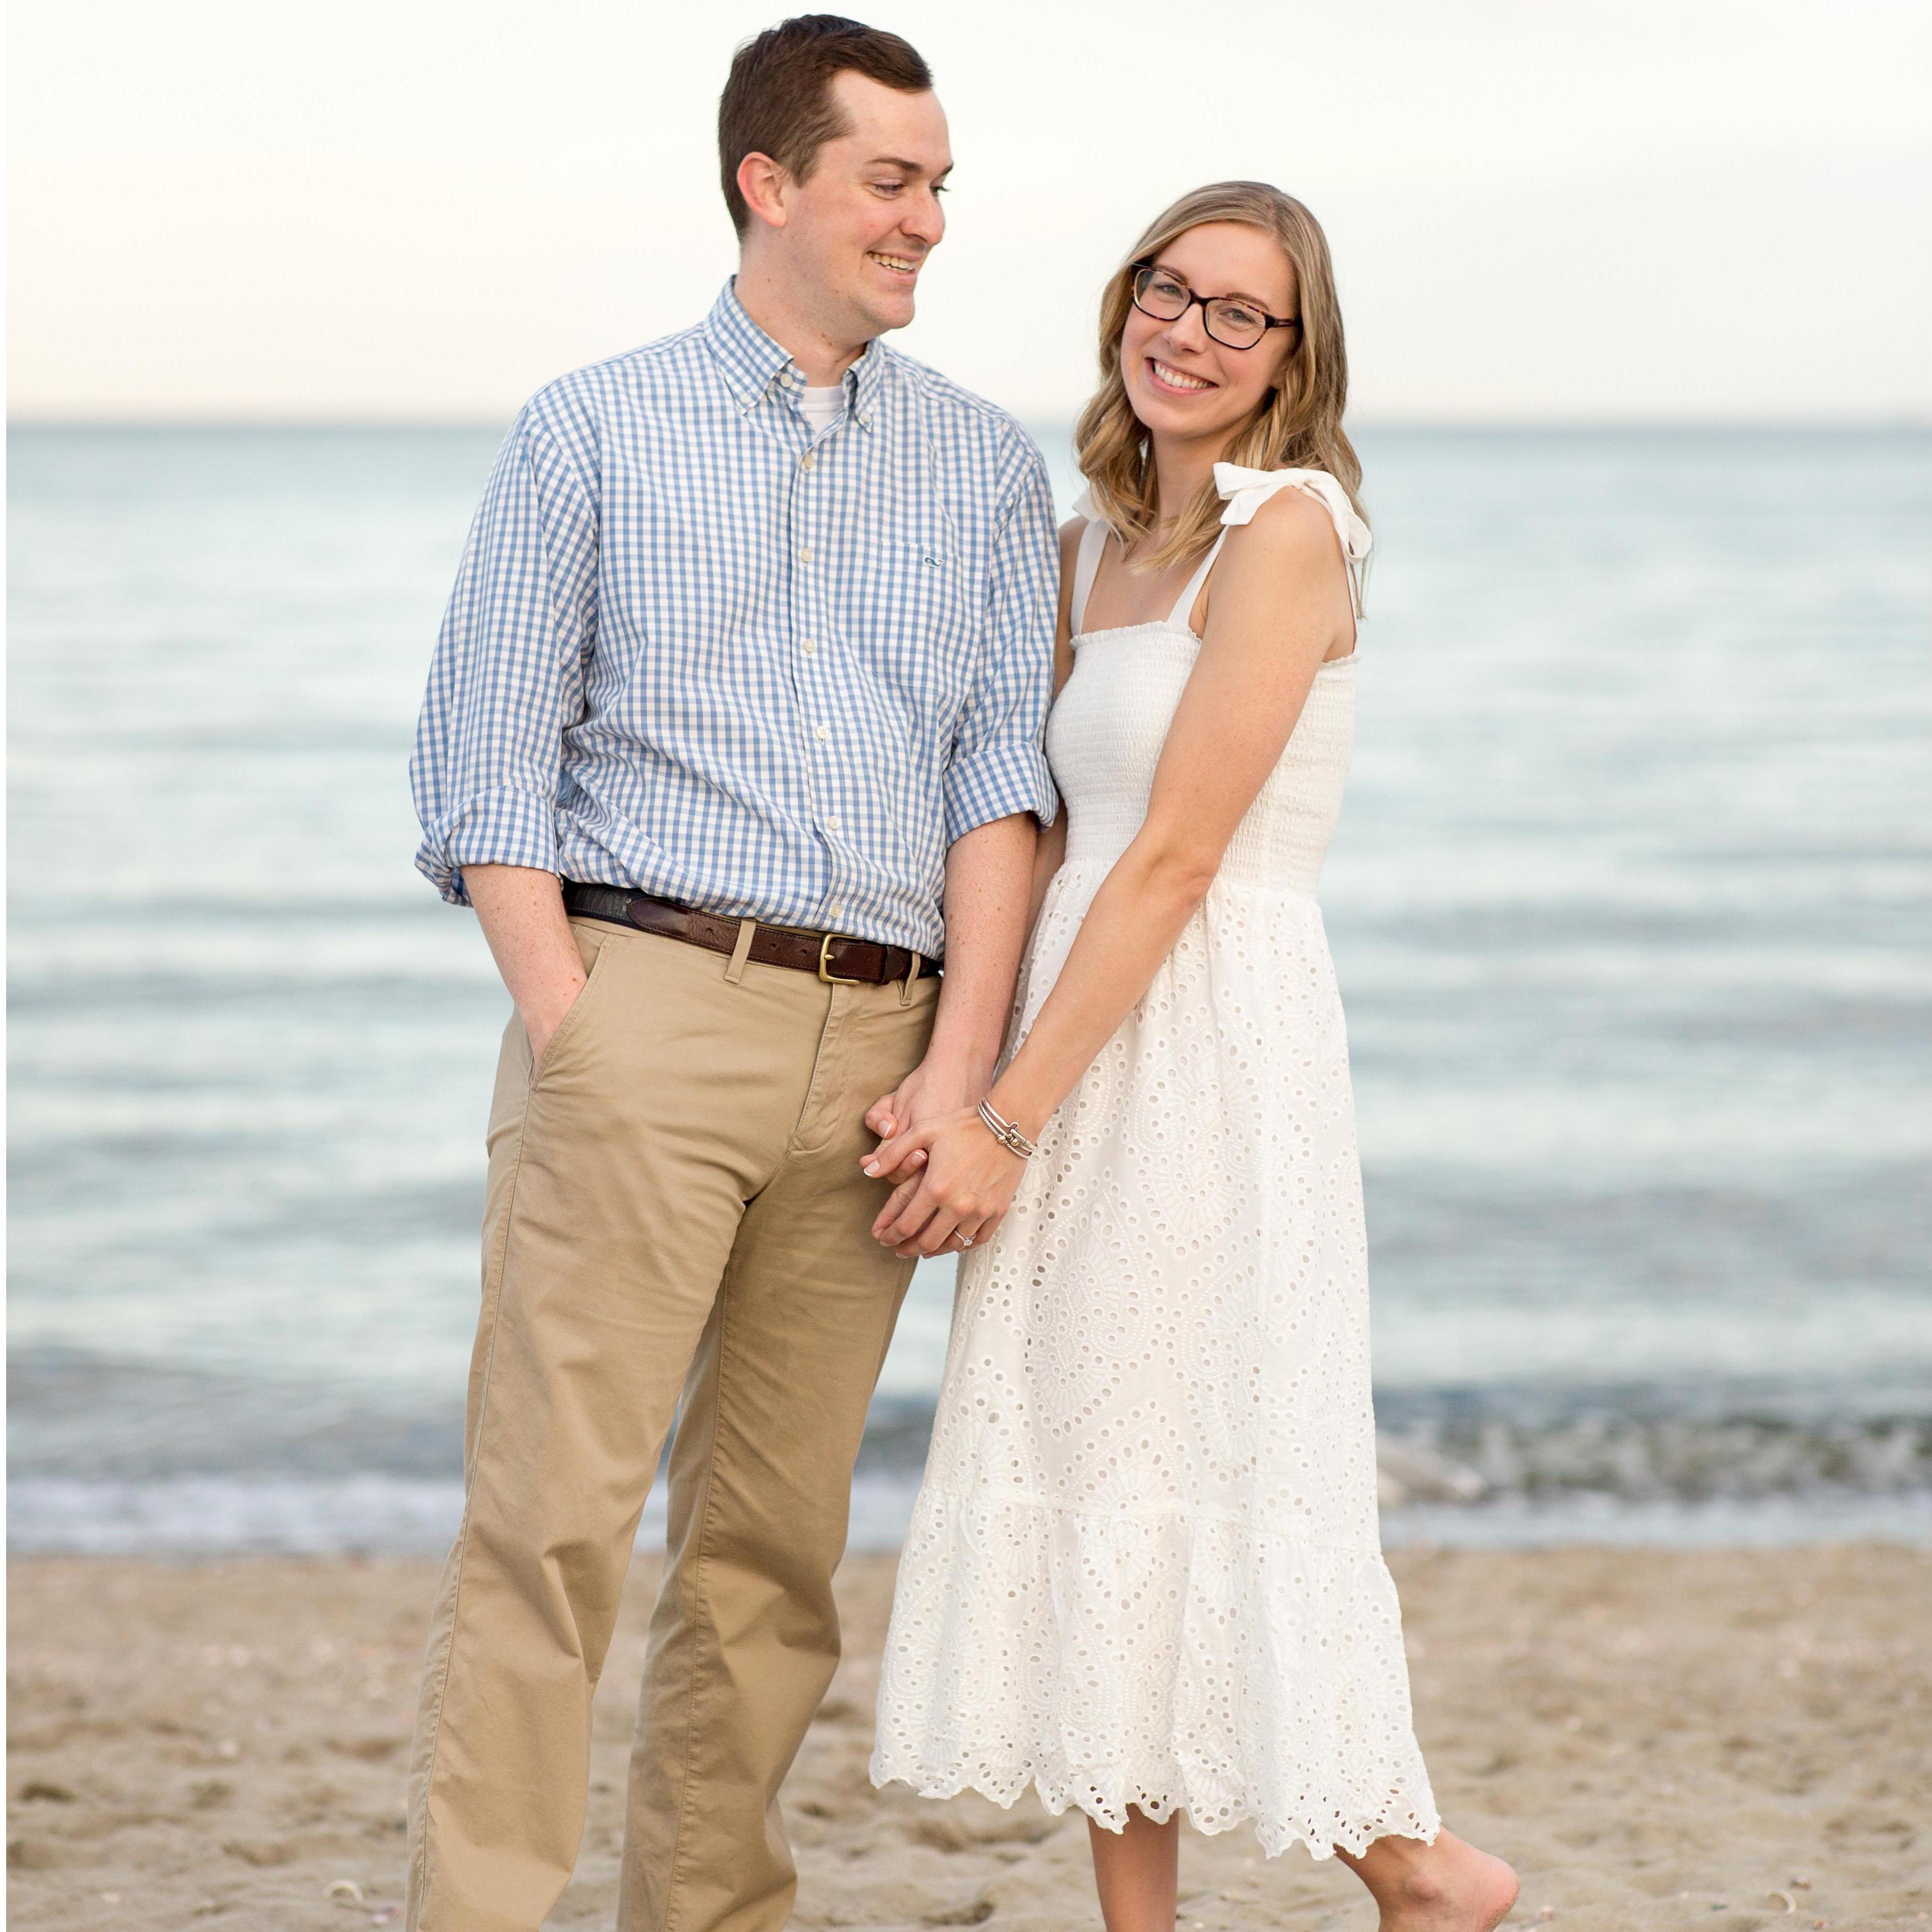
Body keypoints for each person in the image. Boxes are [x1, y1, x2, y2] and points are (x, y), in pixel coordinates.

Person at [402, 18, 1058, 1931]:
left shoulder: (980, 466)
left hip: (878, 1051)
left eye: (938, 187)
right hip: (646, 1011)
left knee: (771, 1554)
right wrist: (576, 1026)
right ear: (768, 182)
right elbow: (483, 767)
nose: (925, 221)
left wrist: (961, 1074)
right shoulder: (592, 426)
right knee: (549, 1527)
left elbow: (996, 793)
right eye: (891, 180)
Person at [867, 183, 1521, 1932]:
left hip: (1208, 1048)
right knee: (1102, 1481)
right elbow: (1026, 824)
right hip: (1073, 1045)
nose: (1192, 332)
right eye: (1170, 290)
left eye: (1242, 313)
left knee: (1217, 1462)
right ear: (1123, 300)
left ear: (1295, 356)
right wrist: (962, 1070)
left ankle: (1425, 1867)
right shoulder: (1086, 549)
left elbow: (1170, 858)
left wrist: (1002, 1109)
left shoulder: (1288, 531)